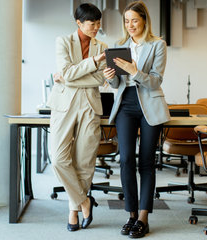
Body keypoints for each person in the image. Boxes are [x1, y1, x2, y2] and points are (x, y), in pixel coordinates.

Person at [103, 1, 170, 238]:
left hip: (149, 104)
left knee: (146, 162)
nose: (130, 25)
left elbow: (155, 81)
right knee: (126, 160)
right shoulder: (119, 46)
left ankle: (143, 217)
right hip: (125, 105)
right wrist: (110, 77)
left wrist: (134, 71)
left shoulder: (157, 45)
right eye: (126, 21)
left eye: (134, 20)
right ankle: (130, 214)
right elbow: (116, 85)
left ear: (144, 20)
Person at [46, 3, 107, 232]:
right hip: (64, 105)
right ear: (79, 23)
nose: (96, 27)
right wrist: (91, 64)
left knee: (84, 161)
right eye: (92, 23)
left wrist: (69, 76)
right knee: (59, 158)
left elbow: (100, 80)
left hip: (90, 105)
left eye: (99, 23)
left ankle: (73, 210)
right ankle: (84, 201)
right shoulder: (62, 41)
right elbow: (68, 71)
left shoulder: (102, 46)